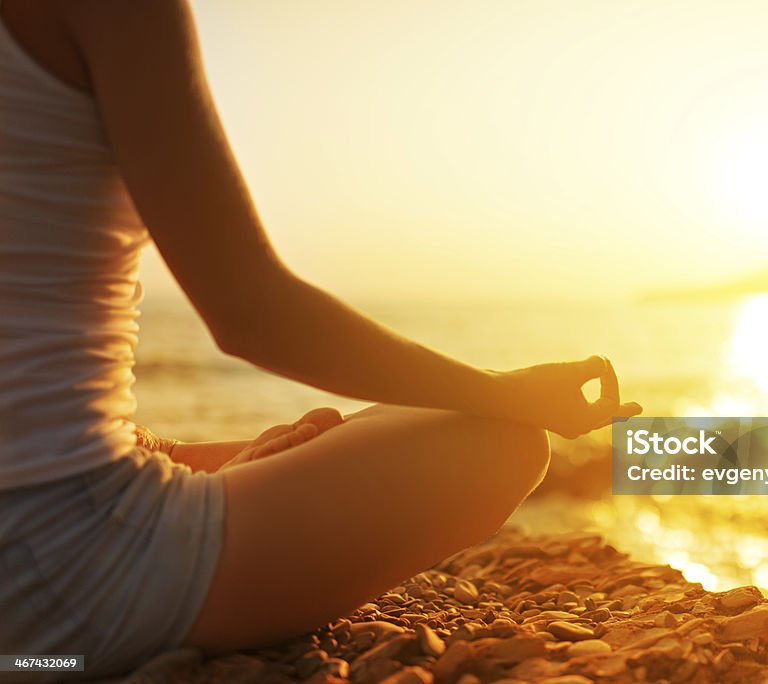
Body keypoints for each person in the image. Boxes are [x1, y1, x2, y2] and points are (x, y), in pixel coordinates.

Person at [0, 0, 642, 679]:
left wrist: (192, 456)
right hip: (61, 579)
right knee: (500, 440)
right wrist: (507, 393)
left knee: (318, 436)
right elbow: (252, 313)